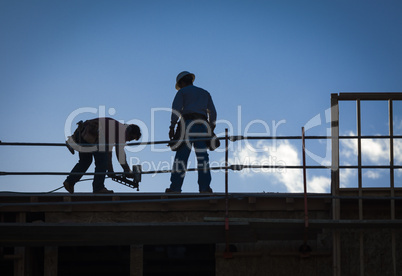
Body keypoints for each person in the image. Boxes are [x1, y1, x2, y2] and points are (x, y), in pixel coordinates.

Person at [166, 71, 217, 193]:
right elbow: (213, 112)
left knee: (181, 157)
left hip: (188, 124)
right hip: (203, 125)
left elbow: (176, 110)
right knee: (203, 157)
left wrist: (172, 127)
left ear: (182, 82)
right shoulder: (205, 93)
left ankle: (175, 188)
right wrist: (211, 128)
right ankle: (205, 188)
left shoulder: (182, 92)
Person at [63, 117, 141, 194]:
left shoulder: (114, 130)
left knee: (85, 162)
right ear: (128, 130)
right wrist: (127, 170)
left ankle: (69, 182)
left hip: (83, 134)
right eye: (131, 137)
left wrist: (110, 170)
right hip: (92, 133)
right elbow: (120, 153)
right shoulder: (121, 130)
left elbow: (108, 152)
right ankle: (98, 188)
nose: (128, 140)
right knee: (101, 162)